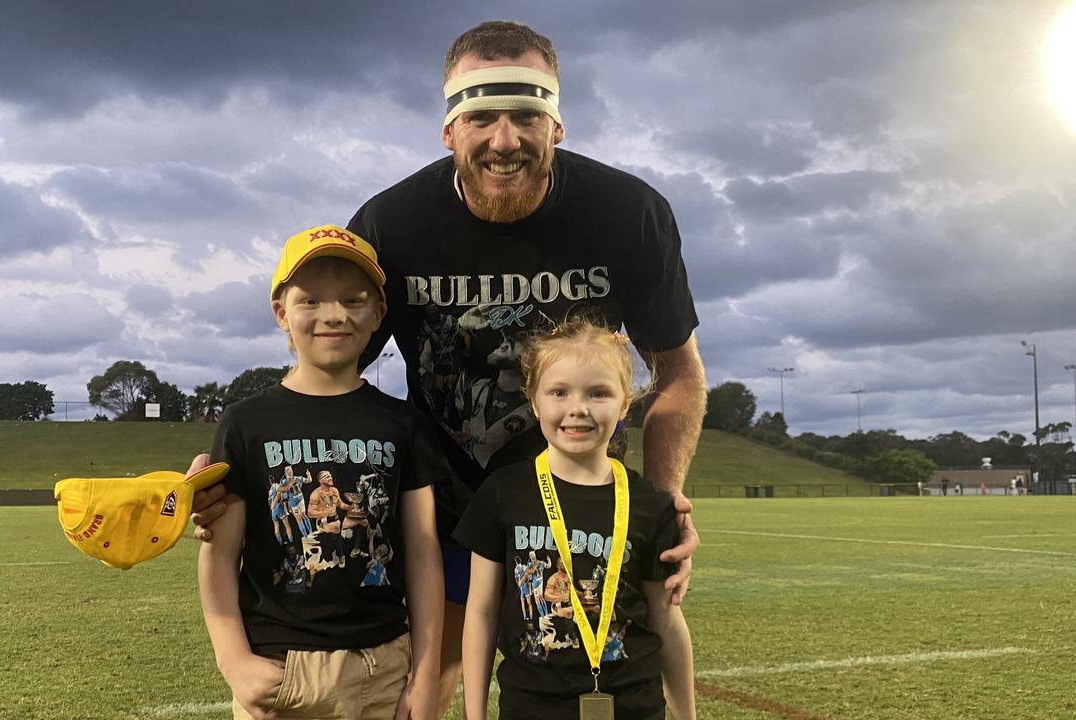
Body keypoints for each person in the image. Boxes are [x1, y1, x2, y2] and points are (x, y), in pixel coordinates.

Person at [192, 21, 707, 711]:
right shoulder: (393, 224)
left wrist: (660, 506)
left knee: (593, 690)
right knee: (427, 693)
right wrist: (242, 469)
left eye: (526, 115)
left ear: (556, 125)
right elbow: (330, 376)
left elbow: (676, 373)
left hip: (579, 509)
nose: (504, 140)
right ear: (448, 130)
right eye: (480, 117)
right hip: (443, 513)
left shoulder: (629, 214)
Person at [197, 225, 447, 720]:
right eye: (310, 301)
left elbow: (422, 550)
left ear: (378, 314)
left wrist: (427, 672)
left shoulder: (404, 422)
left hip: (385, 665)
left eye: (353, 300)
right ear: (280, 313)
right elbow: (219, 554)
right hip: (280, 665)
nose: (333, 315)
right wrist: (234, 662)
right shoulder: (246, 422)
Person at [456, 317, 695, 720]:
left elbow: (666, 621)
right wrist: (474, 714)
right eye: (559, 392)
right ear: (534, 401)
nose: (577, 409)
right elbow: (480, 613)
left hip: (634, 707)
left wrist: (687, 715)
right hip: (530, 709)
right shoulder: (502, 493)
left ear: (624, 403)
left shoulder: (651, 503)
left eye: (598, 393)